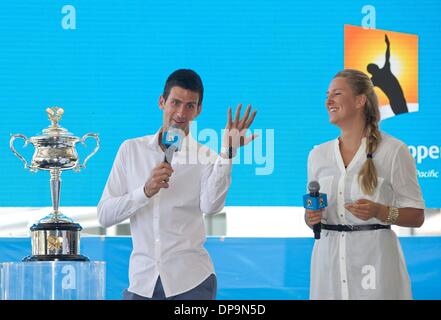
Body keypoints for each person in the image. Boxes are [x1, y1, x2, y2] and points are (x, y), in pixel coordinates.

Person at [97, 69, 257, 300]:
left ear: (198, 110)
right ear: (162, 102)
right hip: (142, 283)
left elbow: (211, 207)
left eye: (190, 106)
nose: (181, 113)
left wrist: (227, 154)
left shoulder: (206, 156)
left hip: (191, 283)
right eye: (176, 102)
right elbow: (104, 215)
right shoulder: (131, 150)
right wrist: (144, 191)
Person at [305, 69, 424, 300]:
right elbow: (313, 215)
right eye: (327, 94)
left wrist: (381, 211)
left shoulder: (394, 150)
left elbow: (417, 216)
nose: (328, 100)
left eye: (337, 94)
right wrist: (311, 218)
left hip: (375, 268)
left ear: (360, 100)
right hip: (327, 267)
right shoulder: (317, 155)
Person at [367, 34, 408, 115]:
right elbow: (387, 56)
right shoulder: (383, 72)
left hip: (397, 101)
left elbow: (387, 56)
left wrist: (388, 45)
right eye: (374, 66)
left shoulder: (375, 79)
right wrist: (388, 45)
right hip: (398, 100)